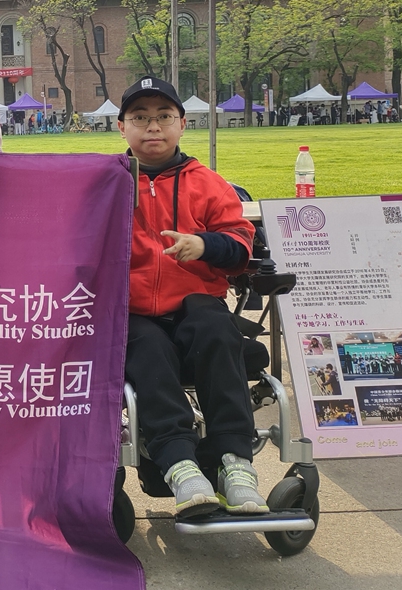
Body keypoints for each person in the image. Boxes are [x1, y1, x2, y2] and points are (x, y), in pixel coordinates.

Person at [118, 75, 266, 518]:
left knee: (216, 327)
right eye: (140, 118)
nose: (153, 128)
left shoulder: (208, 183)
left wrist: (203, 244)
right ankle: (180, 463)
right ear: (121, 127)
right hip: (134, 311)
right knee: (145, 345)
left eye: (164, 117)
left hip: (197, 304)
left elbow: (241, 243)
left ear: (183, 124)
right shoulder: (106, 181)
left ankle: (234, 461)